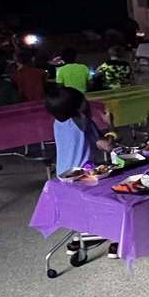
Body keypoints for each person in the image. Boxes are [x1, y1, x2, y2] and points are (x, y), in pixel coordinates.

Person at [46, 86, 116, 257]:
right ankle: (115, 237)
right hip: (84, 175)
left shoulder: (58, 122)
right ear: (78, 106)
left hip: (63, 175)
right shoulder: (84, 121)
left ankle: (80, 237)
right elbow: (106, 146)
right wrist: (111, 125)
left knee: (80, 202)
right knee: (117, 187)